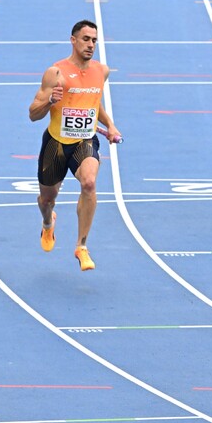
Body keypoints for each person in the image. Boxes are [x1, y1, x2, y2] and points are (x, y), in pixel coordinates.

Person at [28, 20, 122, 271]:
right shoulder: (55, 72)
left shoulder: (101, 71)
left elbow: (94, 102)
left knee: (89, 183)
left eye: (94, 40)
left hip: (85, 140)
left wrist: (110, 125)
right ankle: (48, 224)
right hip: (56, 144)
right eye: (86, 39)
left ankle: (81, 246)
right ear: (73, 40)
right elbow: (33, 114)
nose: (91, 45)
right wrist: (49, 101)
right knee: (47, 200)